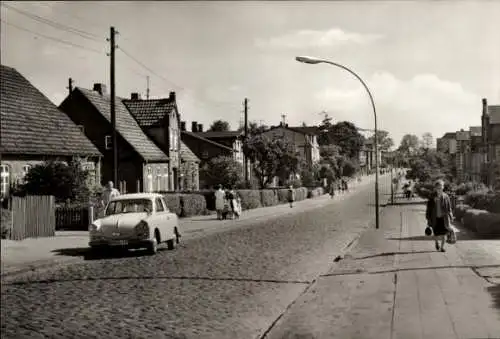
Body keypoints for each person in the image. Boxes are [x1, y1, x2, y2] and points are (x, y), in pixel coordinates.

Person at [426, 179, 454, 252]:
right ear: (435, 188)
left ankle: (442, 247)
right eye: (438, 187)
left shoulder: (446, 196)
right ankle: (436, 242)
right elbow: (428, 208)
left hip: (444, 218)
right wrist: (428, 218)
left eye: (441, 187)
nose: (440, 189)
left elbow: (449, 207)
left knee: (444, 234)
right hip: (435, 218)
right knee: (436, 234)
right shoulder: (432, 197)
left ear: (443, 187)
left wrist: (451, 216)